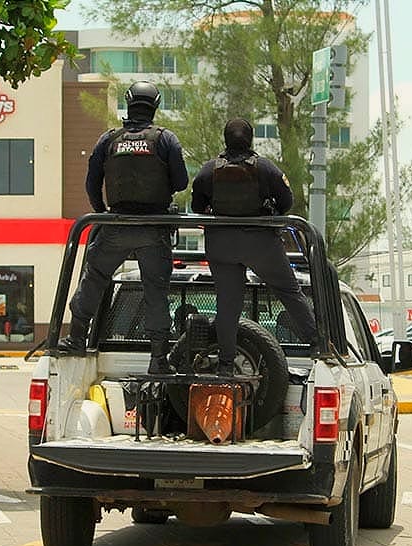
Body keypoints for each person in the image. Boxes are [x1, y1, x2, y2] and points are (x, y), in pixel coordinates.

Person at [58, 81, 189, 373]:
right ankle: (157, 359)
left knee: (94, 278)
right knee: (155, 291)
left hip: (115, 224)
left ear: (128, 104)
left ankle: (77, 338)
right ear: (154, 107)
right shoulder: (166, 139)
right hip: (154, 227)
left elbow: (92, 182)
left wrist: (101, 213)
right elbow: (181, 182)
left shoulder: (108, 140)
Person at [191, 118, 319, 376]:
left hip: (221, 245)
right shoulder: (265, 168)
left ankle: (226, 365)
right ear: (250, 140)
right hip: (261, 244)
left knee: (228, 305)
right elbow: (286, 202)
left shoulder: (208, 170)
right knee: (289, 291)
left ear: (225, 140)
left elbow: (196, 207)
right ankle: (317, 342)